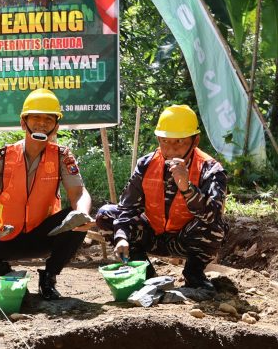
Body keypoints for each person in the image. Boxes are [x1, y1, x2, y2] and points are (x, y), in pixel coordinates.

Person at [0, 88, 93, 300]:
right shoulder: (2, 157)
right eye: (36, 118)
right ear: (24, 123)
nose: (42, 124)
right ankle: (8, 275)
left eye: (48, 120)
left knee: (75, 219)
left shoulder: (62, 156)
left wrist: (82, 213)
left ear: (56, 126)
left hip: (43, 235)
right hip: (3, 237)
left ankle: (49, 278)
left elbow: (79, 193)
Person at [95, 105, 228, 290]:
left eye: (179, 142)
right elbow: (127, 208)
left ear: (195, 141)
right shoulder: (146, 164)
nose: (171, 149)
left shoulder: (211, 169)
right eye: (165, 141)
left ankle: (194, 273)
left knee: (216, 226)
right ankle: (145, 273)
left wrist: (187, 188)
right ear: (158, 139)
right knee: (106, 214)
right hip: (153, 236)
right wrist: (122, 237)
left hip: (186, 240)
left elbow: (213, 215)